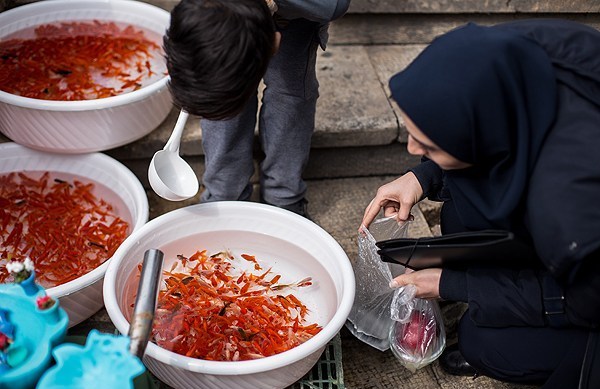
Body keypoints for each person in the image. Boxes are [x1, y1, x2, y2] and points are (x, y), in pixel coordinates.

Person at [361, 20, 600, 389]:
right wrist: (423, 177)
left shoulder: (568, 213)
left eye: (431, 145)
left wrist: (455, 285)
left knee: (486, 341)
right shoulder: (517, 51)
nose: (412, 148)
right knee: (462, 214)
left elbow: (583, 303)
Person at [163, 0, 351, 217]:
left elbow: (335, 5)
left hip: (298, 20)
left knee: (290, 94)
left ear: (274, 42)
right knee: (225, 93)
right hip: (223, 15)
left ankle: (283, 195)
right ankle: (226, 194)